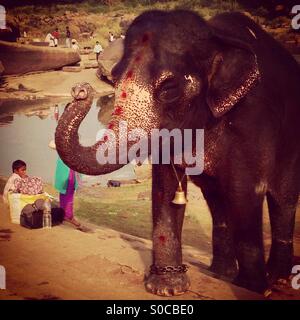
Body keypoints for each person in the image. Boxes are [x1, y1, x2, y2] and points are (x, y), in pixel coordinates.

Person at [54, 156, 81, 228]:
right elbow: (51, 144)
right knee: (65, 192)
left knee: (69, 192)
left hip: (71, 167)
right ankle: (68, 216)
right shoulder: (63, 146)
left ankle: (65, 215)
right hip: (65, 167)